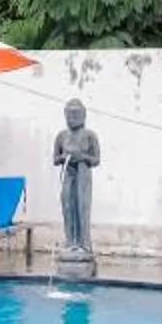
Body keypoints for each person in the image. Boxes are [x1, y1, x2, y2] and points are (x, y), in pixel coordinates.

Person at [52, 98, 101, 259]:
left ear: (83, 115)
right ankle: (70, 241)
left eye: (76, 114)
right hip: (68, 173)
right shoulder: (61, 136)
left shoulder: (90, 135)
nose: (72, 118)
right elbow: (55, 159)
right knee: (67, 206)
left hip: (83, 174)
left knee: (82, 207)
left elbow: (96, 160)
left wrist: (82, 157)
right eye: (69, 114)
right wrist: (64, 156)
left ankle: (84, 243)